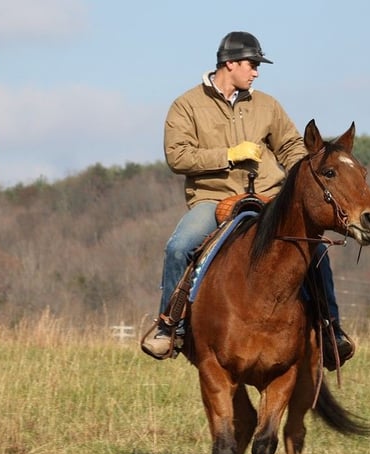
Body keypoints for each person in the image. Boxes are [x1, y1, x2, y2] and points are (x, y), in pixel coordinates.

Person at [141, 31, 353, 365]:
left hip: (270, 196)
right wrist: (229, 155)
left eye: (257, 66)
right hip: (214, 201)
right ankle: (170, 328)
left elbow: (290, 146)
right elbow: (178, 157)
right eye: (251, 64)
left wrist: (310, 168)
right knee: (178, 247)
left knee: (316, 249)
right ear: (229, 64)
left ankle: (331, 331)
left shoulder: (267, 104)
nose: (256, 72)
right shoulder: (186, 106)